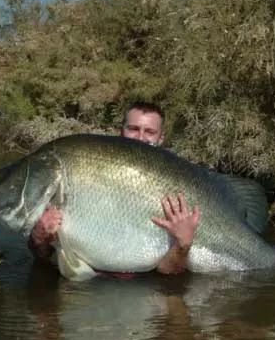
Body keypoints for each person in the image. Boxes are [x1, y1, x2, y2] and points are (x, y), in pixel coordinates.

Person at [29, 102, 201, 275]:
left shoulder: (180, 184)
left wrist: (183, 244)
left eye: (150, 132)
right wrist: (39, 237)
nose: (140, 137)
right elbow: (43, 259)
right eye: (133, 128)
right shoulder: (89, 170)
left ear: (161, 138)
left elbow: (168, 274)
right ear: (121, 130)